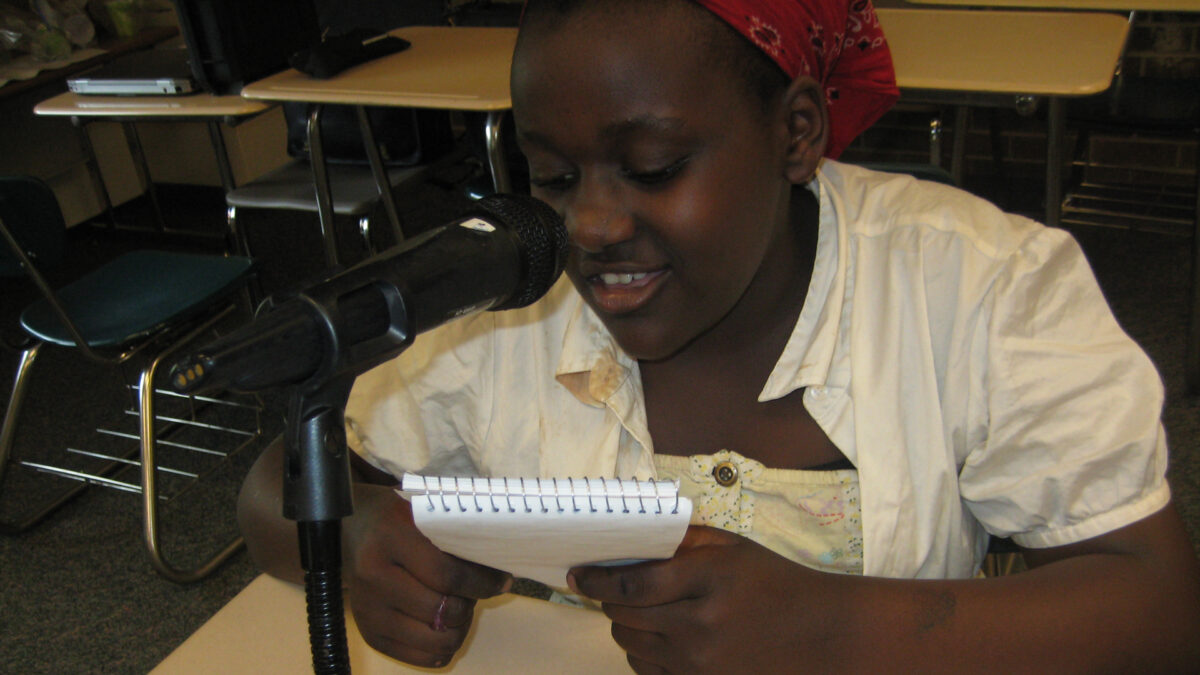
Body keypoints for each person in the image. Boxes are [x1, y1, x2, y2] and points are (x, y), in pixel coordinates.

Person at [236, 0, 1200, 671]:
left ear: (797, 133)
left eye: (652, 166)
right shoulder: (508, 305)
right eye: (555, 177)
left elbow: (1158, 611)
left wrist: (831, 636)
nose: (593, 225)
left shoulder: (980, 287)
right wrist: (357, 533)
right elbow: (276, 481)